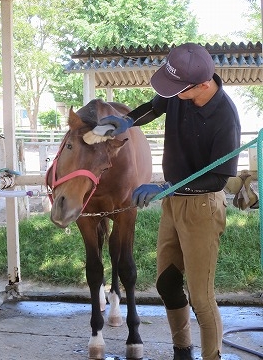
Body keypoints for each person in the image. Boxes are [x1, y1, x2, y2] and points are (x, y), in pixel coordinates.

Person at [98, 43, 241, 360]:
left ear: (203, 84)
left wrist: (166, 187)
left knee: (201, 297)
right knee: (167, 283)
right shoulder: (179, 92)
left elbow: (219, 179)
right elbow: (155, 105)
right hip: (173, 203)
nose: (172, 94)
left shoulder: (225, 118)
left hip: (203, 205)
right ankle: (182, 350)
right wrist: (129, 120)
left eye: (178, 89)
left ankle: (211, 356)